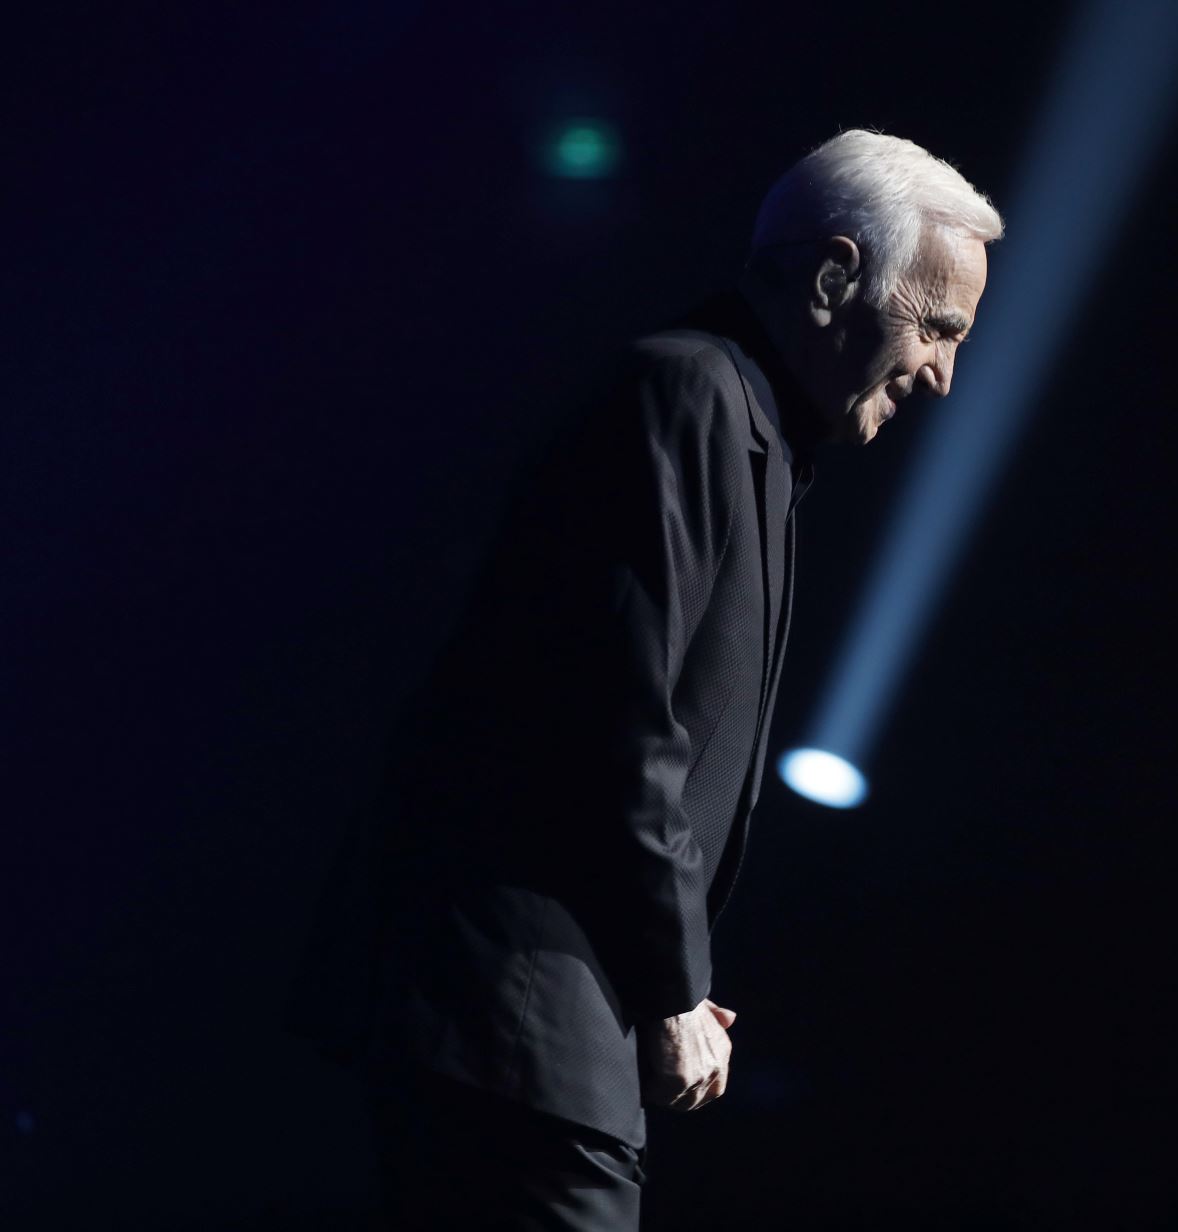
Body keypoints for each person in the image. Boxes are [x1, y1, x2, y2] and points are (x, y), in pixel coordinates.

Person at [283, 128, 1002, 1230]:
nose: (945, 374)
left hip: (544, 1025)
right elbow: (614, 723)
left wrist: (654, 969)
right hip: (513, 1023)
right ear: (831, 279)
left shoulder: (741, 421)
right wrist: (667, 984)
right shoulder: (690, 395)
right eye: (938, 326)